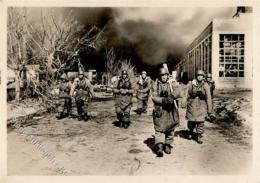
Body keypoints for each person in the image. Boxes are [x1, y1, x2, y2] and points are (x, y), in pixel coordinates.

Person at [151, 68, 182, 157]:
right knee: (159, 129)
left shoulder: (172, 83)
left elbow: (179, 90)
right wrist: (163, 100)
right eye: (162, 75)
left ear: (167, 75)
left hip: (170, 110)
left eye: (165, 75)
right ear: (159, 76)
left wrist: (172, 96)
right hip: (159, 109)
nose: (164, 77)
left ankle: (167, 145)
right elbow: (153, 97)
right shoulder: (155, 84)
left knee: (170, 128)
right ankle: (160, 147)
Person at [186, 70, 215, 144]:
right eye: (198, 76)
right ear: (196, 76)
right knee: (191, 121)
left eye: (201, 76)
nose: (200, 77)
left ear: (203, 77)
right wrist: (184, 102)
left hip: (202, 105)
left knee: (200, 122)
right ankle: (190, 131)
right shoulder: (191, 84)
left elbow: (208, 98)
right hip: (192, 104)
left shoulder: (206, 86)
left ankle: (199, 135)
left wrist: (209, 111)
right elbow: (186, 94)